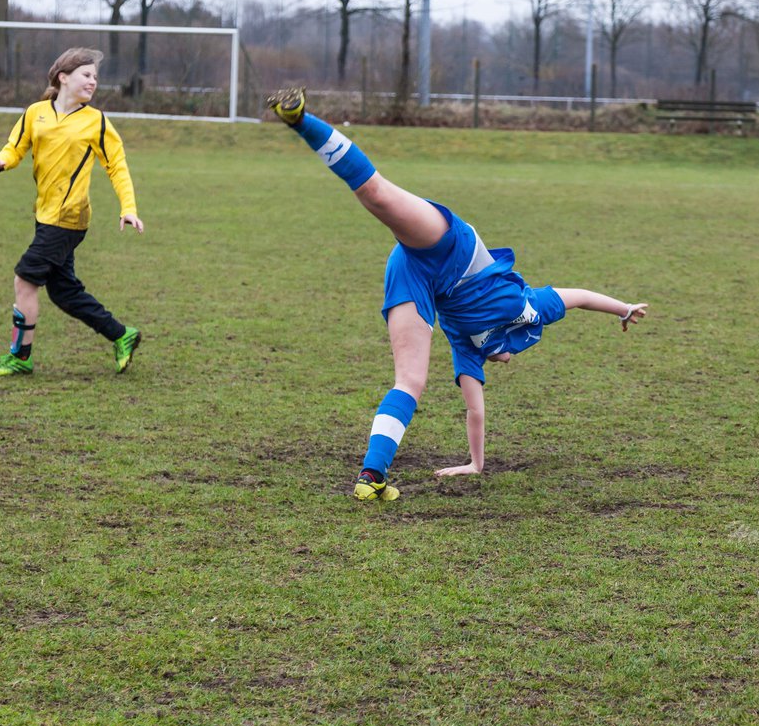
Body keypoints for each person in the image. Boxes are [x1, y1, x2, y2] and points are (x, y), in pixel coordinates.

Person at [265, 88, 648, 501]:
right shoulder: (532, 310)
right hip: (454, 249)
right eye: (508, 357)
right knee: (376, 195)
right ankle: (301, 118)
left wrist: (476, 463)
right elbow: (580, 297)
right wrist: (624, 308)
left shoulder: (469, 349)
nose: (503, 362)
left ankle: (372, 474)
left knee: (409, 381)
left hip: (414, 277)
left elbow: (476, 410)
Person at [0, 47, 144, 376]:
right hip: (44, 215)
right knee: (64, 292)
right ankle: (122, 335)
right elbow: (16, 147)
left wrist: (129, 207)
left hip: (69, 219)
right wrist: (1, 161)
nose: (93, 81)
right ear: (63, 77)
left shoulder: (96, 122)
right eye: (86, 75)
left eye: (95, 77)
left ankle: (20, 357)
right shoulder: (35, 112)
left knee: (25, 280)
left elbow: (117, 168)